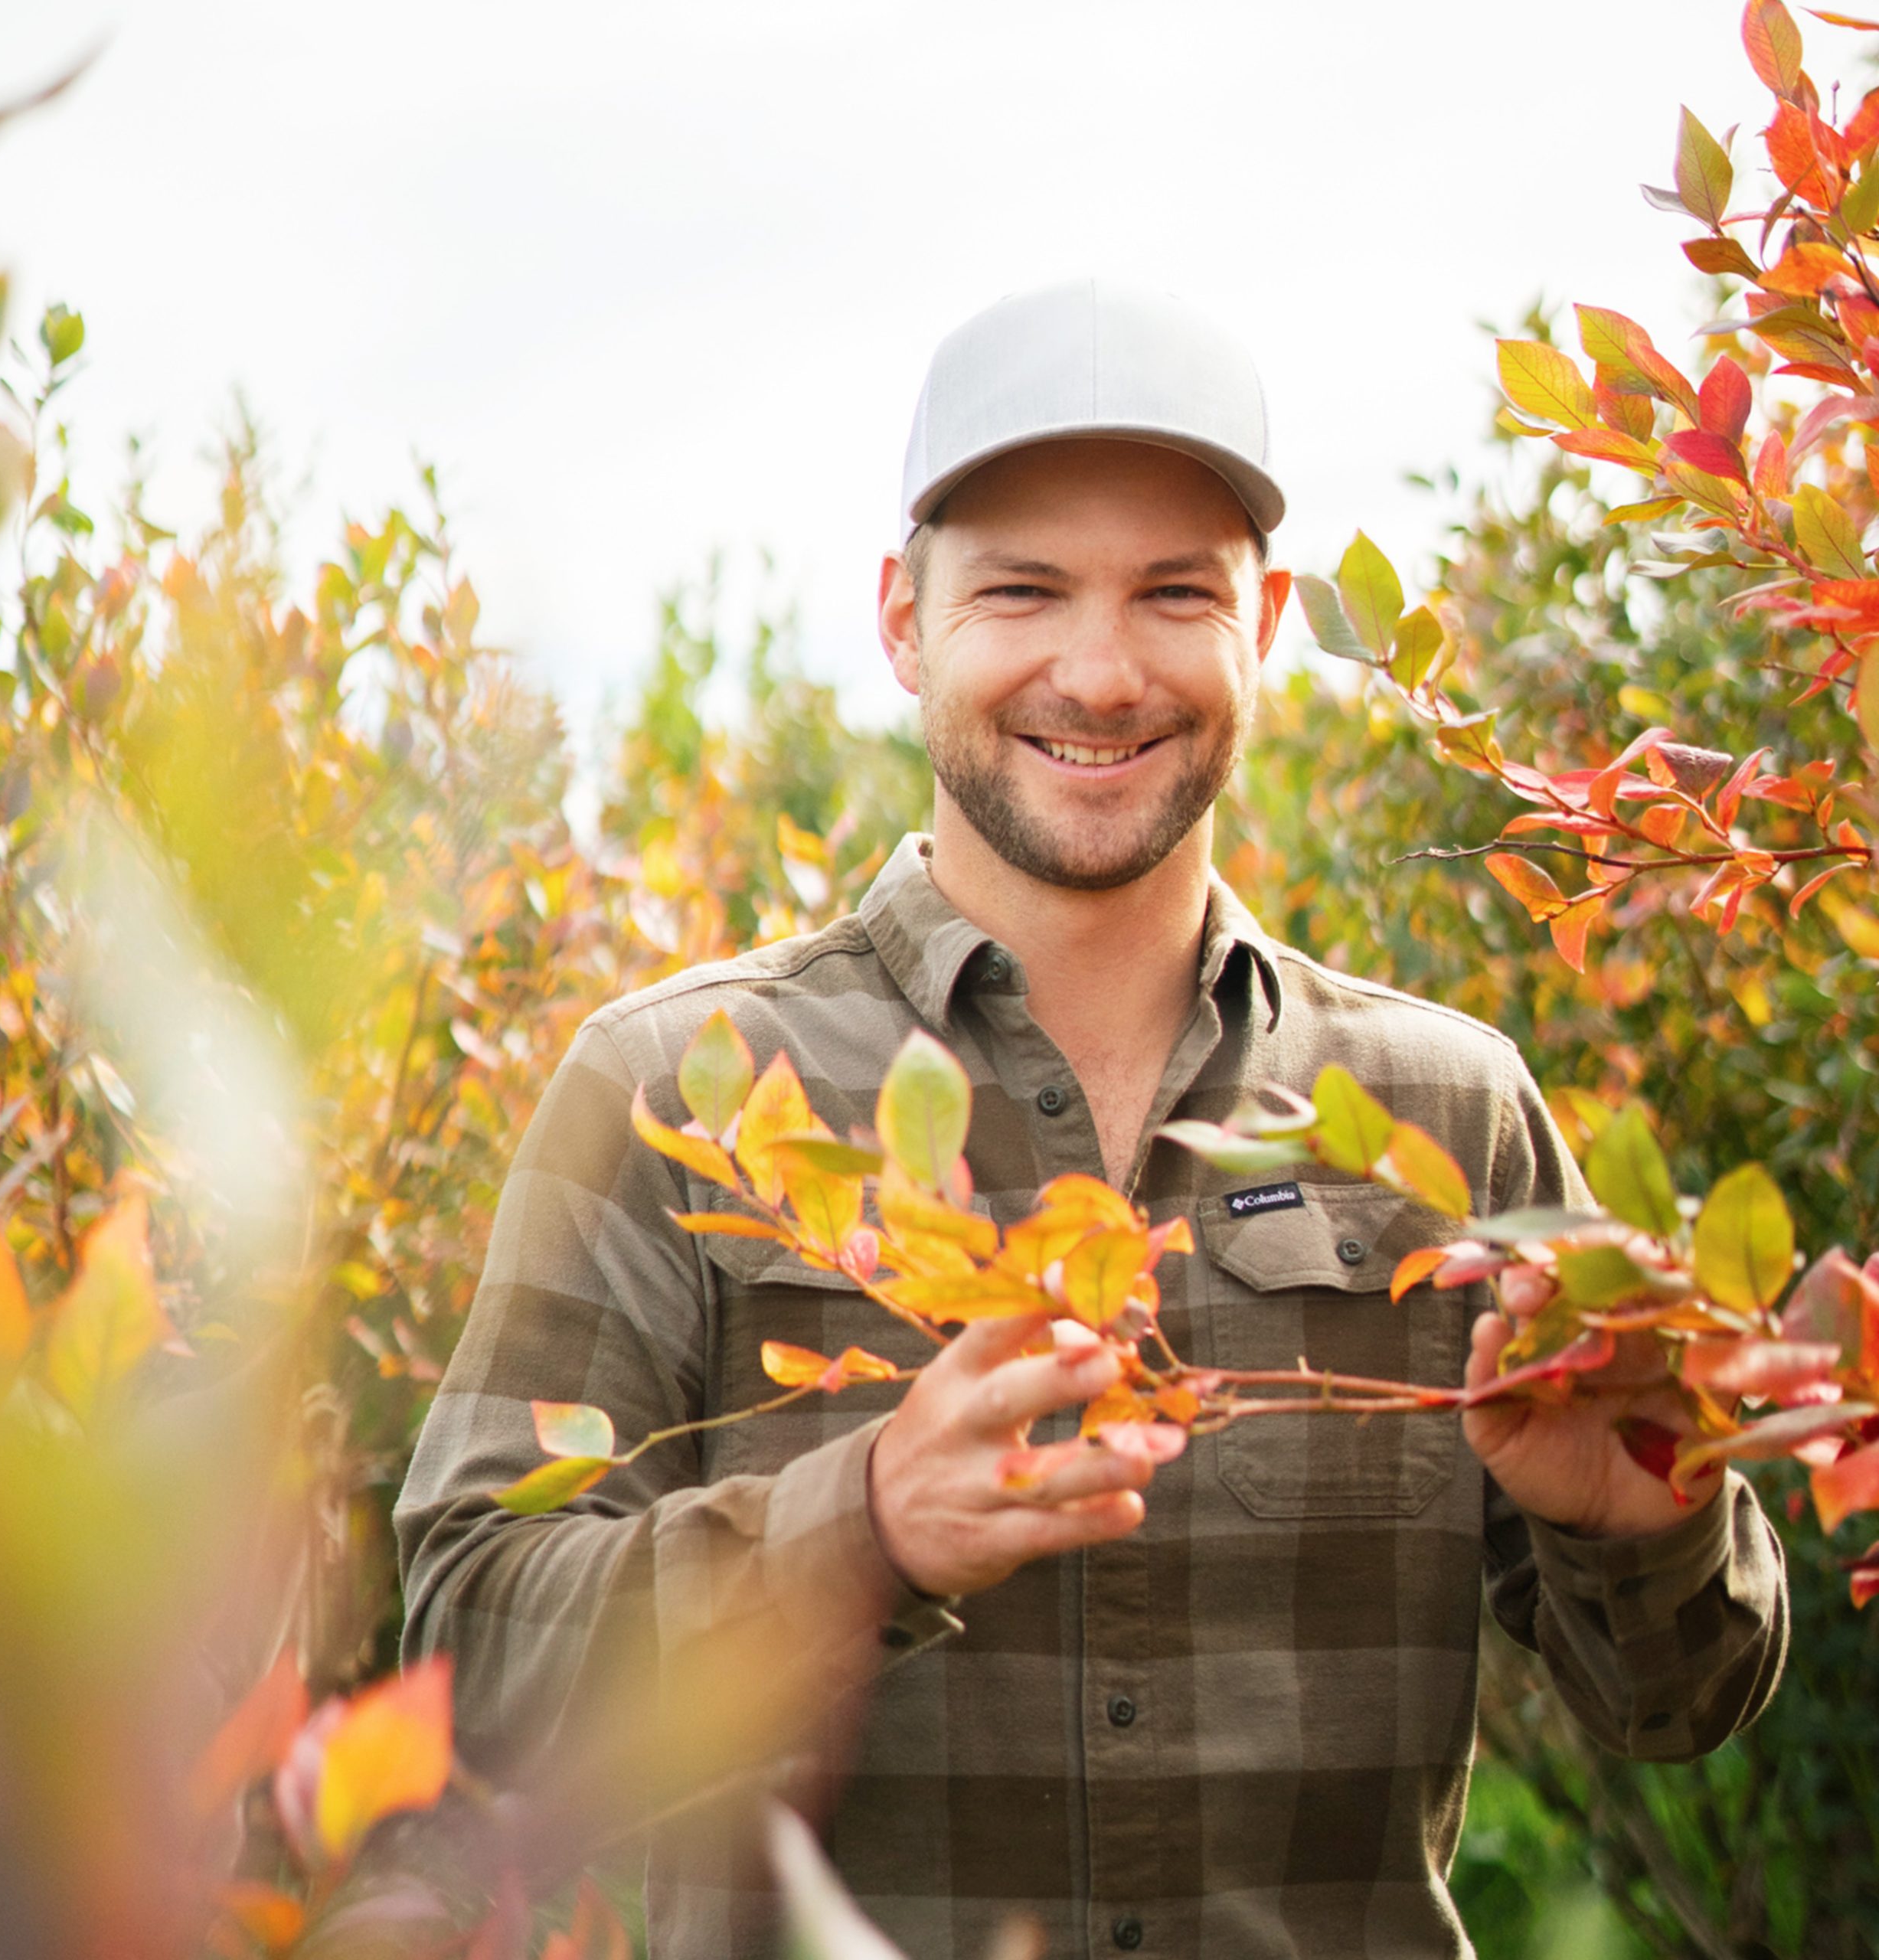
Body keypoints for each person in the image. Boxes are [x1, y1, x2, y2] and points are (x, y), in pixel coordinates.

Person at [396, 279, 1788, 1958]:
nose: (1100, 668)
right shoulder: (670, 1092)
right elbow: (471, 1669)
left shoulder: (1444, 1109)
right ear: (906, 623)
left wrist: (1634, 1505)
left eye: (1170, 592)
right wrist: (865, 1525)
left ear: (1259, 625)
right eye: (1023, 590)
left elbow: (1678, 1701)